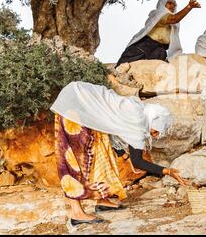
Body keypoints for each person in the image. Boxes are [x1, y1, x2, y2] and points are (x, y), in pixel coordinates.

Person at [50, 81, 187, 226]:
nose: (154, 135)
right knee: (76, 158)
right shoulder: (138, 120)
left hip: (80, 101)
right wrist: (168, 171)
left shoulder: (138, 110)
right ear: (153, 120)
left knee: (102, 149)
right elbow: (138, 162)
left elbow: (110, 130)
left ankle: (102, 199)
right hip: (75, 104)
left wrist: (124, 155)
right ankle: (76, 212)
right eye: (156, 131)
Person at [116, 0, 201, 67]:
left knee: (155, 64)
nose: (173, 6)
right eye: (170, 3)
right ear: (162, 4)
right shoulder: (158, 14)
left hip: (159, 49)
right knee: (124, 67)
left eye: (174, 4)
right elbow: (174, 18)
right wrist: (189, 7)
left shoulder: (174, 25)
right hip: (143, 47)